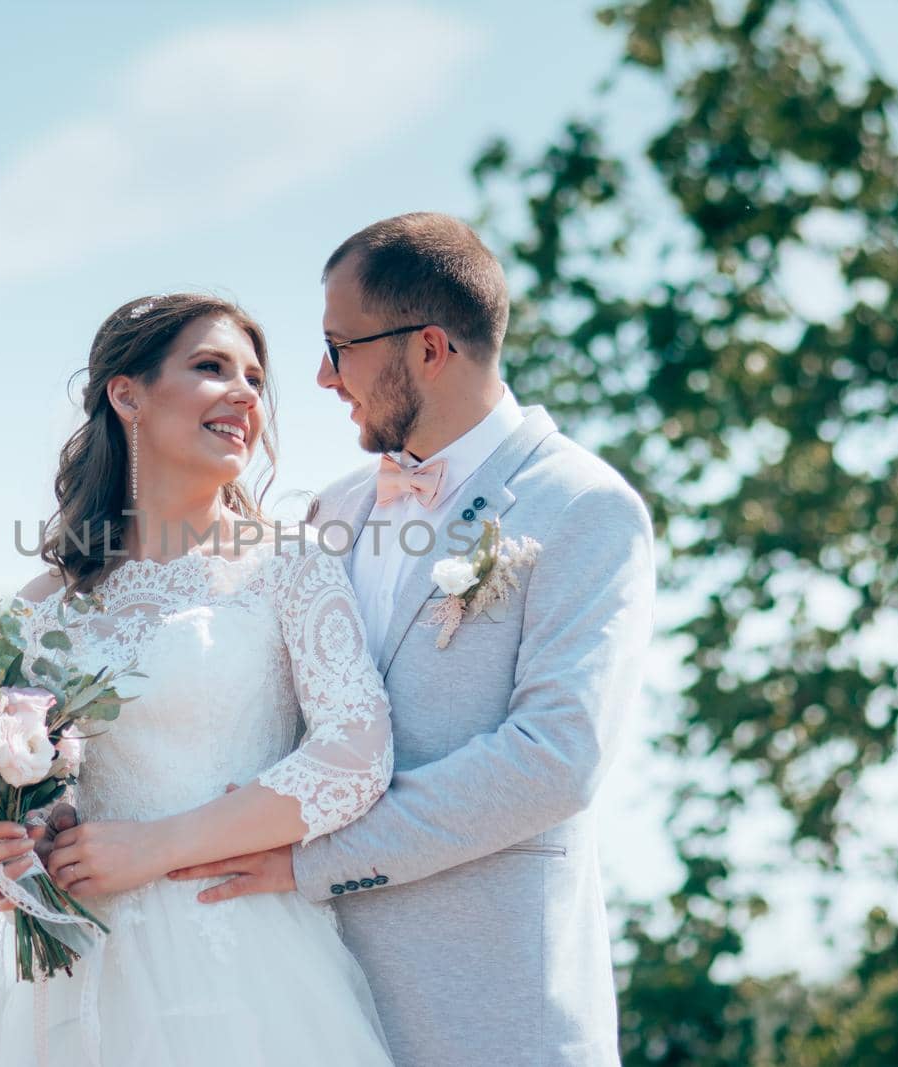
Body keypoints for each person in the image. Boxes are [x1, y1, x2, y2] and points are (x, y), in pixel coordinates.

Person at [167, 213, 657, 1066]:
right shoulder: (334, 511)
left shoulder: (585, 507)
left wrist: (312, 856)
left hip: (495, 1012)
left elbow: (554, 757)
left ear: (429, 348)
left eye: (339, 345)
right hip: (309, 1005)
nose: (321, 376)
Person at [0, 292, 397, 1066]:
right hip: (85, 976)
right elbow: (27, 786)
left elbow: (355, 755)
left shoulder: (289, 565)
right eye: (211, 367)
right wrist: (4, 845)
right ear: (126, 393)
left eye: (255, 380)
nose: (245, 394)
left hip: (247, 961)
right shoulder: (42, 608)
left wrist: (156, 847)